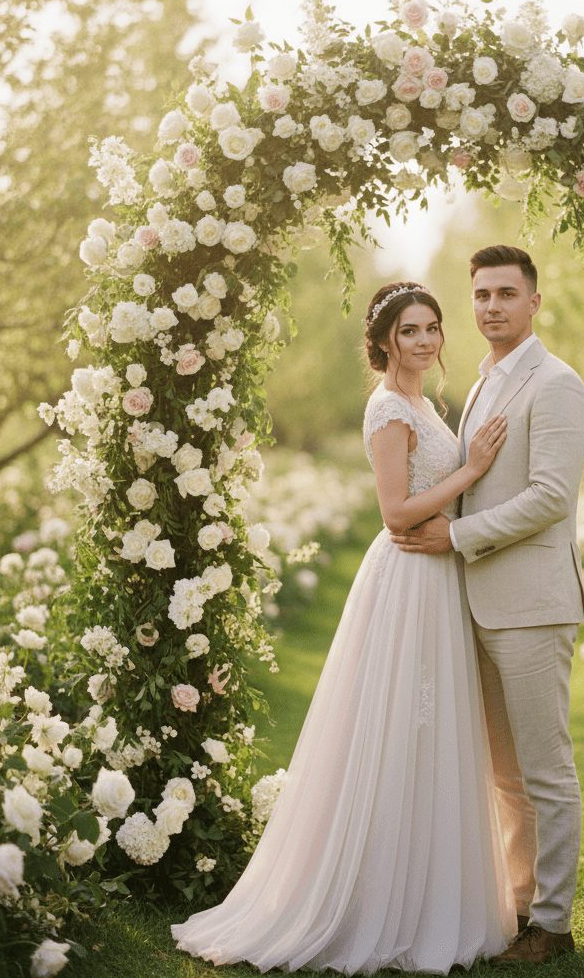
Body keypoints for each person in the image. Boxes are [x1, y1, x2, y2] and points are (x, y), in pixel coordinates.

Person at [171, 282, 517, 973]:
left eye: (432, 328)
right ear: (386, 340)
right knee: (397, 727)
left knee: (437, 729)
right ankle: (373, 901)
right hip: (409, 575)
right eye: (410, 331)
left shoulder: (425, 403)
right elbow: (395, 511)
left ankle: (428, 897)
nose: (424, 341)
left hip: (437, 574)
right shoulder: (390, 408)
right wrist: (472, 469)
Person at [391, 245, 584, 965]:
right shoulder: (480, 383)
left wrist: (458, 537)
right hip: (475, 603)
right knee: (503, 774)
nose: (491, 307)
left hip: (532, 604)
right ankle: (517, 904)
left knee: (545, 769)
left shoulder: (556, 384)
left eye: (506, 293)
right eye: (480, 295)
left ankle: (556, 923)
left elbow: (550, 497)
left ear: (534, 302)